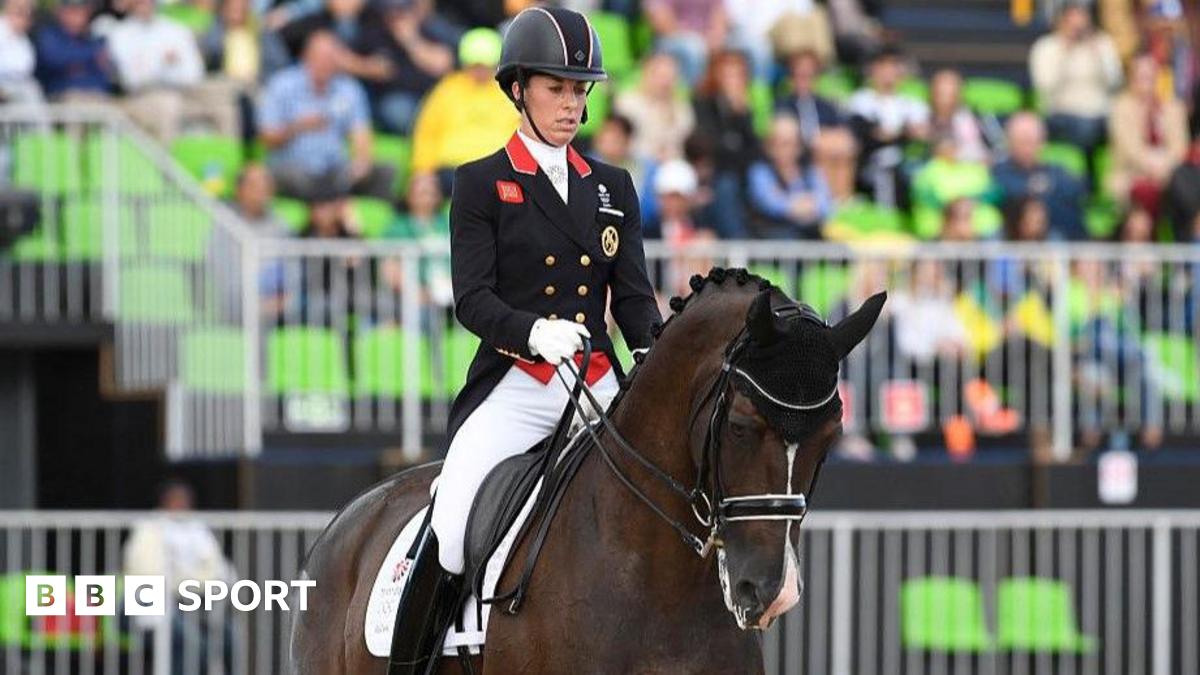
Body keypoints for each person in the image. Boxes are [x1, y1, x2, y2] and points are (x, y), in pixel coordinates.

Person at [389, 8, 662, 672]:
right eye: (555, 88)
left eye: (580, 90)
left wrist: (657, 363)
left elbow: (633, 301)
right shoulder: (480, 182)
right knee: (452, 519)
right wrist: (534, 331)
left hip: (598, 383)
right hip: (519, 382)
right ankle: (412, 661)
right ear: (518, 89)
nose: (571, 104)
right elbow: (473, 298)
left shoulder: (613, 187)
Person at [258, 30, 395, 201]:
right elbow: (267, 138)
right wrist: (298, 127)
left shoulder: (348, 89)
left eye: (331, 59)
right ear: (305, 57)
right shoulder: (281, 85)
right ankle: (330, 202)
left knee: (385, 171)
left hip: (334, 171)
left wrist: (361, 162)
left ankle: (336, 200)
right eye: (320, 58)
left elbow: (361, 133)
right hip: (294, 168)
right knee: (291, 176)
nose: (326, 64)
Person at [123, 480, 235, 675]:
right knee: (192, 644)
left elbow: (218, 570)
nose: (182, 505)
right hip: (151, 604)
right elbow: (148, 573)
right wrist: (189, 582)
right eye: (176, 500)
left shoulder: (197, 530)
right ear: (165, 501)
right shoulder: (149, 529)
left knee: (230, 636)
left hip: (192, 602)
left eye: (185, 500)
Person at [108, 0, 239, 141]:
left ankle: (231, 152)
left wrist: (161, 68)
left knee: (224, 96)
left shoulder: (175, 29)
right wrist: (161, 62)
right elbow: (133, 80)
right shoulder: (120, 34)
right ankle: (165, 155)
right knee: (168, 104)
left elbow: (194, 72)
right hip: (144, 96)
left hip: (185, 90)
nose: (145, 4)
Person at [409, 27, 518, 196]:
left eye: (486, 65)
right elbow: (427, 131)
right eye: (475, 65)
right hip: (451, 171)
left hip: (498, 172)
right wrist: (422, 169)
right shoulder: (447, 89)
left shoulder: (510, 92)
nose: (480, 70)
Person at [1029, 1, 1122, 187]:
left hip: (1101, 115)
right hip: (1063, 115)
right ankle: (1087, 182)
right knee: (1085, 128)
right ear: (1061, 22)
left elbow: (1115, 82)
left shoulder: (1102, 43)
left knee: (1120, 124)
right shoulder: (1046, 47)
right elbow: (1046, 87)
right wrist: (1065, 51)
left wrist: (1098, 54)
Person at [845, 44, 929, 208]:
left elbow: (923, 133)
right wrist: (904, 132)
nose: (888, 72)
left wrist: (899, 134)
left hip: (910, 160)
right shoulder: (860, 101)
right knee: (887, 164)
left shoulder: (914, 104)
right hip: (874, 161)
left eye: (893, 66)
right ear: (872, 70)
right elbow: (874, 135)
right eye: (883, 66)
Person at [1107, 52, 1188, 217]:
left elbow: (1179, 146)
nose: (1146, 81)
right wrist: (1151, 165)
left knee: (1185, 188)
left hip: (1167, 173)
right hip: (1131, 172)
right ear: (1131, 78)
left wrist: (1164, 165)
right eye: (1141, 76)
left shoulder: (1173, 107)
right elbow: (1128, 147)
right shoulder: (1121, 107)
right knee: (1140, 190)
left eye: (1150, 76)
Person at [692, 49, 757, 239]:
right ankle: (738, 243)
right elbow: (712, 146)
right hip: (714, 174)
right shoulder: (703, 103)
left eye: (738, 75)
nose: (734, 81)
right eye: (728, 74)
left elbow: (754, 151)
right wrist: (730, 114)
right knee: (726, 185)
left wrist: (741, 115)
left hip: (742, 173)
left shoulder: (745, 110)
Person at [991, 112, 1087, 240]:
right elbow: (1006, 195)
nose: (1028, 148)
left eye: (1032, 141)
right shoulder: (998, 172)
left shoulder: (1058, 172)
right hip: (1012, 241)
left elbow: (1079, 191)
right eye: (1022, 141)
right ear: (1010, 142)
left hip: (1056, 238)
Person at [746, 115, 833, 238]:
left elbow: (825, 202)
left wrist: (806, 206)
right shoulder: (760, 171)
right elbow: (770, 204)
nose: (787, 150)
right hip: (775, 234)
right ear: (768, 146)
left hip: (811, 231)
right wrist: (798, 205)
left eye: (792, 143)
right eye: (780, 143)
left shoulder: (809, 170)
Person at [613, 51, 695, 162]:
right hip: (635, 160)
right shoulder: (627, 102)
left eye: (670, 78)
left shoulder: (680, 107)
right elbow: (622, 142)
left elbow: (684, 140)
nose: (665, 83)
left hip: (671, 162)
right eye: (661, 76)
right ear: (647, 74)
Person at [32, 0, 114, 101]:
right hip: (59, 96)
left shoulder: (93, 37)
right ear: (60, 13)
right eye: (72, 11)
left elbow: (102, 76)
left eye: (81, 12)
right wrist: (91, 54)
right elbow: (54, 59)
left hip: (95, 94)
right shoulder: (49, 34)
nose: (77, 18)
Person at [774, 49, 843, 146]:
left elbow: (838, 134)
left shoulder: (828, 108)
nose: (804, 81)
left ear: (817, 77)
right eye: (800, 75)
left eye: (809, 75)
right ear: (791, 78)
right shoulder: (781, 106)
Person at [0, 0, 41, 103]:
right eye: (19, 10)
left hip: (22, 87)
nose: (25, 16)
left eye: (28, 12)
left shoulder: (24, 38)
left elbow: (25, 69)